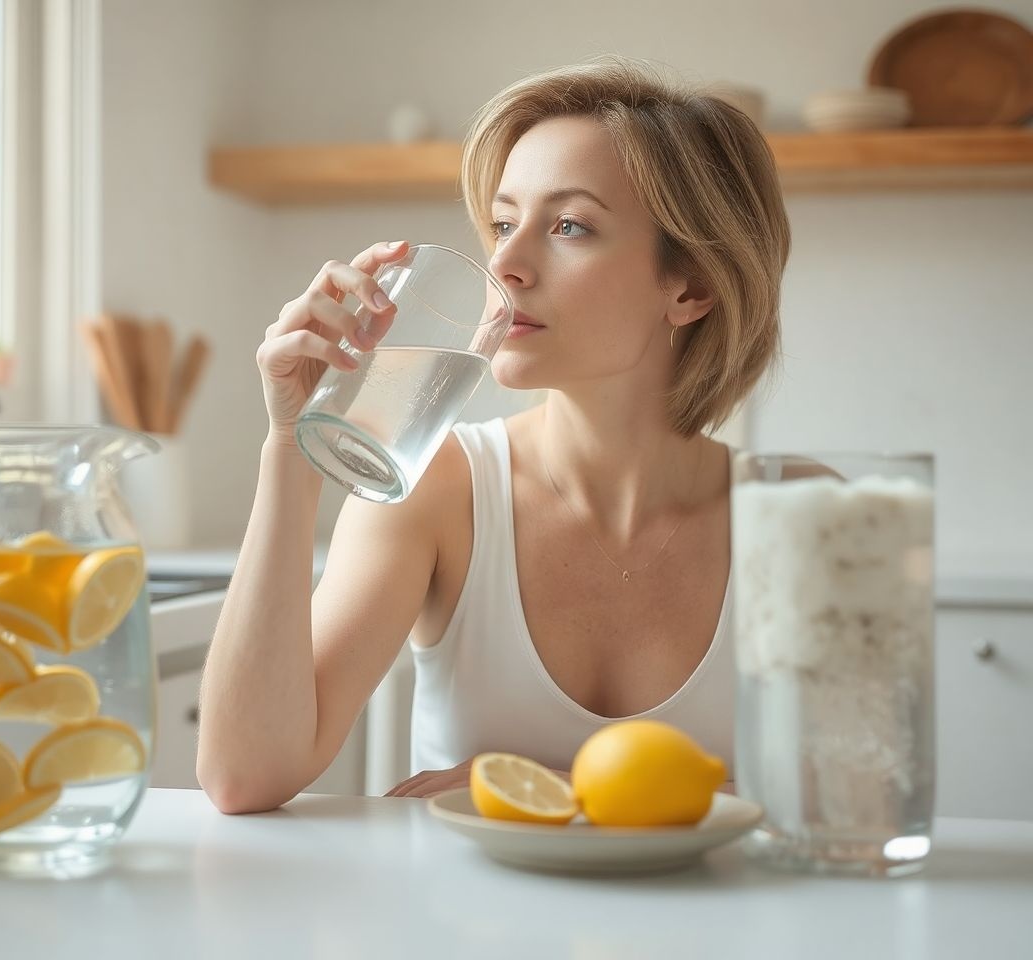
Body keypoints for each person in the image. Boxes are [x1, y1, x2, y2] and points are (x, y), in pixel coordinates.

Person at [196, 58, 790, 813]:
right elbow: (245, 776)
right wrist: (289, 445)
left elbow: (855, 802)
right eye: (504, 224)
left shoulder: (800, 514)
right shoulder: (439, 491)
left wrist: (555, 793)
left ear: (692, 287)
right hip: (465, 932)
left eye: (569, 226)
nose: (505, 263)